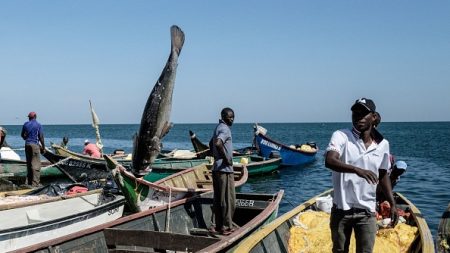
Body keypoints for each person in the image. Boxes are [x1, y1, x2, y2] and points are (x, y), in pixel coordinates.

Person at [325, 98, 398, 253]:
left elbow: (383, 174)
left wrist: (392, 203)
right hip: (341, 210)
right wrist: (358, 170)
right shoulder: (341, 136)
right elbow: (330, 160)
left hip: (367, 212)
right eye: (355, 113)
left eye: (363, 113)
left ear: (374, 117)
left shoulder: (383, 144)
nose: (358, 117)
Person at [209, 107, 236, 236]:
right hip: (224, 169)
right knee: (228, 199)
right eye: (230, 117)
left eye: (233, 117)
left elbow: (211, 143)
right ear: (224, 117)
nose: (232, 120)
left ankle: (217, 225)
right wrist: (226, 159)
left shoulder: (218, 127)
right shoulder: (225, 129)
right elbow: (218, 143)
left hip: (216, 168)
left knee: (218, 198)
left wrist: (215, 156)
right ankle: (226, 227)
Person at [21, 111, 45, 187]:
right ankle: (35, 184)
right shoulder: (38, 125)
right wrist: (43, 147)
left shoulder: (26, 124)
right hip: (34, 145)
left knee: (29, 163)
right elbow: (41, 137)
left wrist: (26, 139)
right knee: (36, 165)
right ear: (35, 116)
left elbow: (22, 135)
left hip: (27, 144)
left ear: (29, 117)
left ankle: (28, 182)